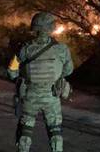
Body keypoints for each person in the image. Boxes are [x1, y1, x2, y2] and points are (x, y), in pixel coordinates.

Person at [7, 12, 73, 152]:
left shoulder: (24, 49)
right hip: (52, 96)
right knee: (55, 130)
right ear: (51, 28)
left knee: (26, 129)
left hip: (30, 96)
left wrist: (21, 80)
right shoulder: (62, 49)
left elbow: (12, 71)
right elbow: (68, 70)